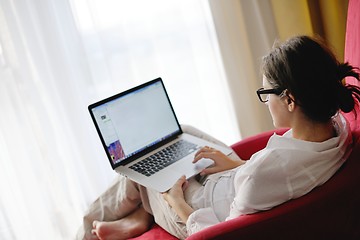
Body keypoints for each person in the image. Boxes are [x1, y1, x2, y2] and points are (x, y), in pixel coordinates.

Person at [77, 35, 360, 240]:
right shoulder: (336, 129)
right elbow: (277, 176)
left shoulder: (261, 176)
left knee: (137, 163)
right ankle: (141, 215)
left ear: (290, 100)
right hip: (238, 179)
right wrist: (236, 164)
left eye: (265, 95)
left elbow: (215, 233)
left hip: (200, 208)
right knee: (181, 133)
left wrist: (175, 200)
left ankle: (87, 231)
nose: (265, 102)